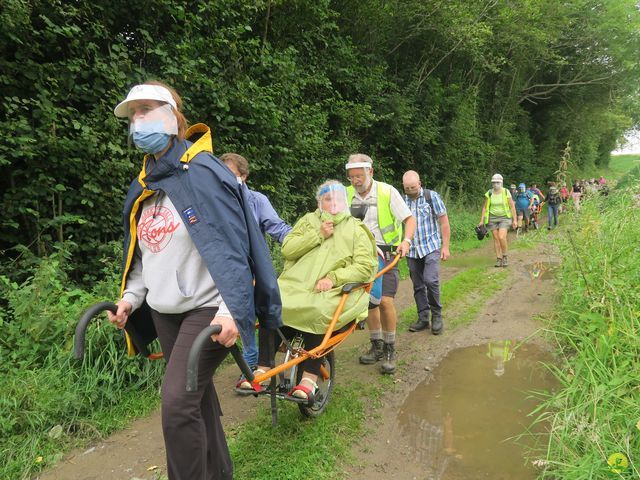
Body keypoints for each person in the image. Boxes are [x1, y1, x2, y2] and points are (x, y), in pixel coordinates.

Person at [107, 82, 281, 480]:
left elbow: (234, 249)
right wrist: (130, 299)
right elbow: (143, 252)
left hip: (208, 309)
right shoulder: (145, 184)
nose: (137, 120)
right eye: (132, 115)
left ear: (172, 116)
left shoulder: (205, 172)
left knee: (176, 405)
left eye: (146, 109)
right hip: (166, 313)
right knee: (195, 401)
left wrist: (231, 310)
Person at [245, 181, 377, 400]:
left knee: (318, 308)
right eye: (328, 199)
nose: (333, 203)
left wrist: (334, 278)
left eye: (338, 199)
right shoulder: (308, 221)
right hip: (296, 284)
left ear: (346, 202)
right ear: (319, 202)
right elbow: (288, 249)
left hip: (333, 290)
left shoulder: (356, 228)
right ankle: (263, 370)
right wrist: (318, 234)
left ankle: (309, 379)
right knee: (270, 301)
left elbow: (365, 266)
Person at [220, 153, 291, 388]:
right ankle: (251, 362)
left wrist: (302, 242)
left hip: (251, 269)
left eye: (231, 175)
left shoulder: (257, 201)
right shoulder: (215, 202)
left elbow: (277, 227)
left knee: (254, 315)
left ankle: (253, 365)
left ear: (244, 177)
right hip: (222, 270)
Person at [345, 154, 416, 374]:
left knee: (385, 301)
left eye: (359, 176)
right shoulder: (345, 194)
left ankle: (389, 348)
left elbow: (409, 219)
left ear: (371, 172)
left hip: (386, 253)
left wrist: (406, 241)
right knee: (370, 302)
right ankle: (375, 345)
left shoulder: (387, 191)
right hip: (358, 256)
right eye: (352, 176)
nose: (356, 181)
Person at [402, 170, 450, 335]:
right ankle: (423, 318)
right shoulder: (401, 201)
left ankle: (436, 315)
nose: (410, 191)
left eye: (413, 187)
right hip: (412, 250)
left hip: (431, 247)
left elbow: (444, 222)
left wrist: (445, 247)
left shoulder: (432, 197)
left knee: (430, 280)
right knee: (418, 285)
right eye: (407, 188)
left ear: (419, 183)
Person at [478, 173, 517, 267]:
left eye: (497, 182)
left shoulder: (506, 192)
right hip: (492, 218)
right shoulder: (489, 193)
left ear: (501, 182)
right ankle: (498, 259)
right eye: (494, 182)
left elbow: (512, 207)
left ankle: (505, 256)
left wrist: (515, 220)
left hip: (504, 217)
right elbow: (485, 207)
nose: (495, 184)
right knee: (495, 238)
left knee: (501, 237)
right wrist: (481, 220)